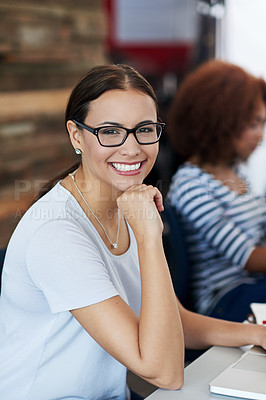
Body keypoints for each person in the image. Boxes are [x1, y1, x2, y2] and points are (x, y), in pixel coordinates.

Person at [0, 64, 266, 400]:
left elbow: (174, 320)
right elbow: (164, 372)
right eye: (110, 131)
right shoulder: (57, 234)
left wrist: (255, 333)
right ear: (76, 135)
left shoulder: (122, 202)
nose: (132, 148)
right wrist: (149, 237)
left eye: (144, 129)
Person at [167, 59, 266, 322]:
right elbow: (247, 258)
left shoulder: (237, 173)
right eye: (253, 124)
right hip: (224, 301)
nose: (260, 135)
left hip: (254, 289)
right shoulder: (191, 185)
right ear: (221, 120)